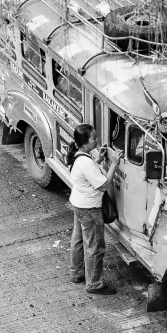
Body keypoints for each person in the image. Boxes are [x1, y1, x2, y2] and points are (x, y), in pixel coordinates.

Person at [67, 123, 122, 295]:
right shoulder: (85, 162)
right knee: (95, 247)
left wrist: (99, 160)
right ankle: (94, 284)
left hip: (78, 203)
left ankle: (77, 273)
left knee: (78, 240)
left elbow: (88, 171)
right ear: (84, 143)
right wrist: (114, 163)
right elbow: (104, 185)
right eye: (93, 139)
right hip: (89, 208)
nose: (96, 142)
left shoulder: (81, 156)